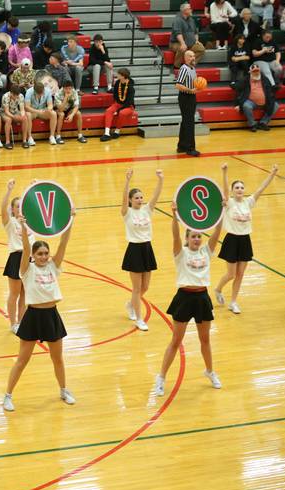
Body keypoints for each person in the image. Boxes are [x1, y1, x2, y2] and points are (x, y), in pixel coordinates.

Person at [3, 211, 76, 412]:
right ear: (33, 256)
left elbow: (63, 244)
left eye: (46, 253)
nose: (43, 257)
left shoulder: (54, 266)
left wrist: (70, 221)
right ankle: (8, 395)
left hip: (52, 316)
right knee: (22, 360)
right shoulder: (27, 269)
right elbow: (25, 248)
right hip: (33, 317)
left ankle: (63, 390)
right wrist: (25, 229)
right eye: (40, 254)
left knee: (57, 358)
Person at [153, 201, 224, 397]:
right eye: (193, 236)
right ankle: (160, 378)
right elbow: (175, 234)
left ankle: (210, 371)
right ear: (187, 238)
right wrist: (175, 214)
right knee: (176, 340)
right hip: (184, 298)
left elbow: (218, 232)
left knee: (205, 340)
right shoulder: (180, 253)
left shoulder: (206, 252)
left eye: (199, 236)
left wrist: (222, 210)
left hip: (202, 297)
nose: (197, 239)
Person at [214, 163, 277, 313]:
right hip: (232, 240)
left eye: (242, 187)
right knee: (231, 274)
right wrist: (224, 172)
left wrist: (272, 173)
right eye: (237, 187)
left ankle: (233, 302)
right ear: (232, 191)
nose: (240, 190)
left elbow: (261, 189)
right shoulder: (229, 203)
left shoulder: (249, 202)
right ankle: (218, 289)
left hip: (245, 240)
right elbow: (224, 188)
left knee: (240, 274)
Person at [120, 168, 164, 332]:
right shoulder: (127, 212)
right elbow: (123, 200)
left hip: (147, 248)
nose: (140, 200)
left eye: (141, 197)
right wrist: (127, 181)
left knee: (145, 287)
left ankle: (131, 304)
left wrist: (160, 180)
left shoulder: (147, 210)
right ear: (131, 200)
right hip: (134, 250)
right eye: (136, 198)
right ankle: (139, 319)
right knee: (137, 288)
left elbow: (156, 196)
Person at [1, 180, 35, 333]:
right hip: (16, 258)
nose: (20, 208)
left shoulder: (32, 222)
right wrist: (9, 190)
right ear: (13, 210)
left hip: (30, 259)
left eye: (22, 205)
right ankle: (13, 323)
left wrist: (31, 187)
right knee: (14, 293)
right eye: (17, 206)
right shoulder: (10, 222)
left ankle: (21, 322)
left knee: (25, 293)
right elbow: (3, 209)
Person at [234, 63, 279, 131]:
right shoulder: (245, 80)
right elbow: (238, 91)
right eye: (254, 71)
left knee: (275, 105)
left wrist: (271, 100)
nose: (256, 73)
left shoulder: (265, 79)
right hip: (251, 102)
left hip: (265, 101)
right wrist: (237, 104)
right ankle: (252, 124)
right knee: (246, 106)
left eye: (257, 71)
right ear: (250, 72)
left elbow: (270, 92)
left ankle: (263, 123)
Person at [100, 68, 135, 142]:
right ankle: (107, 133)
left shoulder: (131, 88)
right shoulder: (117, 83)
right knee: (109, 111)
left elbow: (129, 102)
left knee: (122, 113)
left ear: (123, 76)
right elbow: (115, 96)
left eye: (118, 74)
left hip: (128, 106)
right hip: (118, 104)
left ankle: (117, 131)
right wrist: (116, 107)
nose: (116, 75)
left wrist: (118, 111)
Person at [175, 50, 200, 157]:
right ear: (185, 58)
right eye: (190, 56)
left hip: (191, 96)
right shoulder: (184, 69)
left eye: (194, 56)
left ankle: (181, 146)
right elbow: (178, 85)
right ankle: (190, 148)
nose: (193, 58)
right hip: (185, 97)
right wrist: (190, 90)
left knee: (186, 122)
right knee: (189, 122)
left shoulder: (193, 68)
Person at [170, 3, 206, 68]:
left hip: (190, 43)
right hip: (176, 43)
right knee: (183, 48)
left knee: (201, 49)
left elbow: (195, 32)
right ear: (184, 10)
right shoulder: (177, 20)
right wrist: (183, 43)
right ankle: (176, 66)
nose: (191, 10)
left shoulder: (191, 20)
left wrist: (196, 41)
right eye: (189, 9)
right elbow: (178, 33)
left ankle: (189, 65)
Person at [53, 80, 87, 144]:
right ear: (63, 88)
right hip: (59, 109)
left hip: (69, 109)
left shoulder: (74, 92)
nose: (68, 90)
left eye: (70, 88)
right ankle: (58, 136)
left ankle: (80, 135)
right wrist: (66, 97)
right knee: (61, 114)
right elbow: (60, 109)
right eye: (66, 88)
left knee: (78, 113)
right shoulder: (58, 93)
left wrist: (72, 115)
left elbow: (76, 106)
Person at [24, 81, 57, 147]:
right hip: (33, 111)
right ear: (34, 90)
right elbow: (27, 107)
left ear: (44, 89)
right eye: (38, 93)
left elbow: (50, 105)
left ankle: (52, 136)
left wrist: (49, 109)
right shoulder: (29, 92)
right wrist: (37, 111)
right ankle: (30, 137)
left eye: (42, 93)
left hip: (43, 111)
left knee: (53, 113)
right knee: (28, 115)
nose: (41, 95)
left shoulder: (48, 91)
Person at [1, 84, 28, 149]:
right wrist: (14, 117)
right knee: (8, 119)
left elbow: (22, 109)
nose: (16, 97)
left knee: (25, 118)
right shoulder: (5, 96)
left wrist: (22, 115)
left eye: (17, 95)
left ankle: (24, 141)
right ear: (11, 92)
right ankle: (7, 142)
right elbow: (6, 111)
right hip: (4, 113)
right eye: (14, 95)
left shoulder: (20, 96)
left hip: (15, 111)